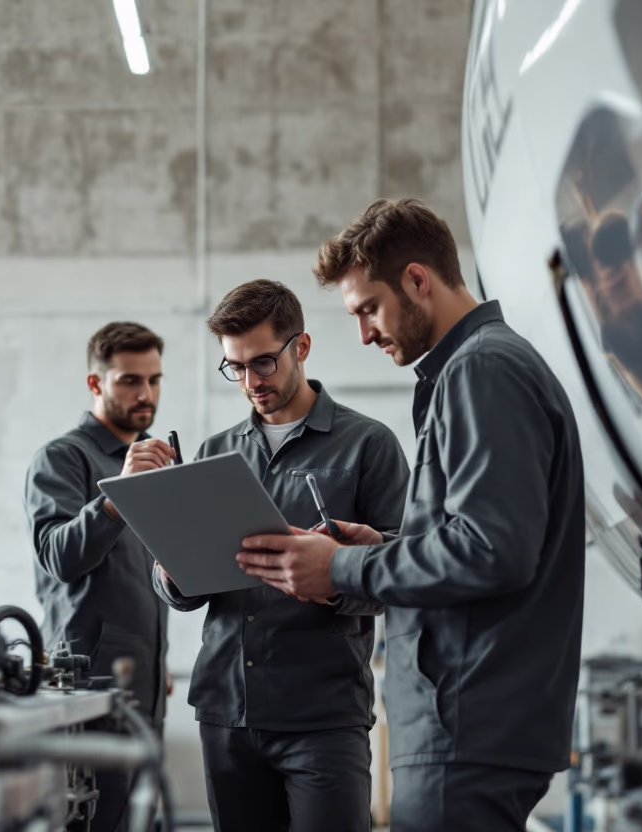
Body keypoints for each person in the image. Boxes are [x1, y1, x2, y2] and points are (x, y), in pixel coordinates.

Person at [236, 199, 586, 832]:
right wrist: (383, 544)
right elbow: (475, 537)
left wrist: (344, 567)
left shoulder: (482, 370)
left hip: (469, 718)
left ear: (418, 280)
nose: (365, 333)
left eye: (369, 309)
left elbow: (492, 550)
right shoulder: (474, 368)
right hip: (467, 720)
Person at [153, 280, 410, 832]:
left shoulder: (369, 446)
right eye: (236, 367)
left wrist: (333, 575)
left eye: (264, 363)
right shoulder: (214, 453)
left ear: (302, 346)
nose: (251, 382)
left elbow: (406, 576)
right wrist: (173, 572)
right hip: (226, 711)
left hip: (322, 716)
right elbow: (187, 590)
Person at [23, 321, 172, 832]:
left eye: (154, 380)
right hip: (85, 685)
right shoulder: (63, 458)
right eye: (130, 380)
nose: (145, 394)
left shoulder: (154, 458)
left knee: (138, 819)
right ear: (96, 384)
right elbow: (59, 557)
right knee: (92, 820)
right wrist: (116, 496)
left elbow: (150, 572)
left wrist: (158, 659)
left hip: (145, 684)